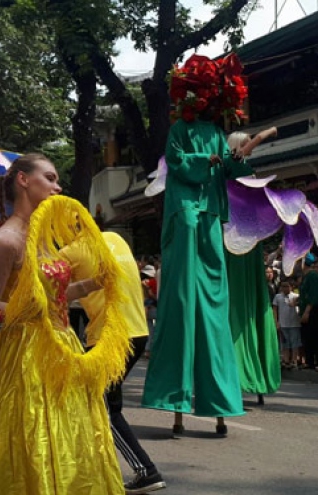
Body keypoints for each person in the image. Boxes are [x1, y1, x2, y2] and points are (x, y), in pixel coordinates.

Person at [0, 157, 129, 494]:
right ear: (23, 180)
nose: (57, 187)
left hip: (63, 347)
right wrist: (26, 311)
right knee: (32, 438)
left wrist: (95, 283)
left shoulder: (44, 239)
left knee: (74, 435)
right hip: (26, 357)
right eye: (49, 178)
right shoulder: (7, 241)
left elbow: (56, 298)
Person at [141, 54, 252, 435]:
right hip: (187, 213)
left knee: (212, 309)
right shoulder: (179, 131)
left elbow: (231, 172)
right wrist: (207, 159)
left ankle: (218, 402)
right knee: (184, 303)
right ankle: (174, 398)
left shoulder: (218, 132)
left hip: (210, 217)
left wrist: (238, 158)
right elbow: (176, 160)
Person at [61, 232, 167, 494]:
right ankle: (87, 466)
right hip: (138, 332)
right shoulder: (116, 238)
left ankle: (146, 471)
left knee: (103, 408)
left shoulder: (68, 253)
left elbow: (55, 294)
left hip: (108, 337)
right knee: (93, 401)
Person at [274, 281, 302, 369]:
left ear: (291, 287)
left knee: (295, 343)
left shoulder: (296, 296)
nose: (285, 288)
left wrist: (296, 303)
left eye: (287, 286)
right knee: (285, 343)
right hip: (283, 323)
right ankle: (286, 360)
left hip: (294, 323)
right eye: (283, 286)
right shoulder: (278, 296)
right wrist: (276, 321)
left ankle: (294, 360)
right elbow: (274, 309)